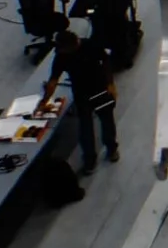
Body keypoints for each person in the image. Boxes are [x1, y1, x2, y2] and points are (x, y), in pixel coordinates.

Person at [47, 19, 118, 173]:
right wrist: (45, 101)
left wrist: (110, 84)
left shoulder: (91, 46)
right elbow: (53, 80)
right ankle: (89, 159)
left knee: (107, 122)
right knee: (85, 128)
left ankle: (112, 149)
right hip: (81, 94)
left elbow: (105, 61)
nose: (59, 52)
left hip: (100, 89)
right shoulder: (61, 56)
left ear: (71, 46)